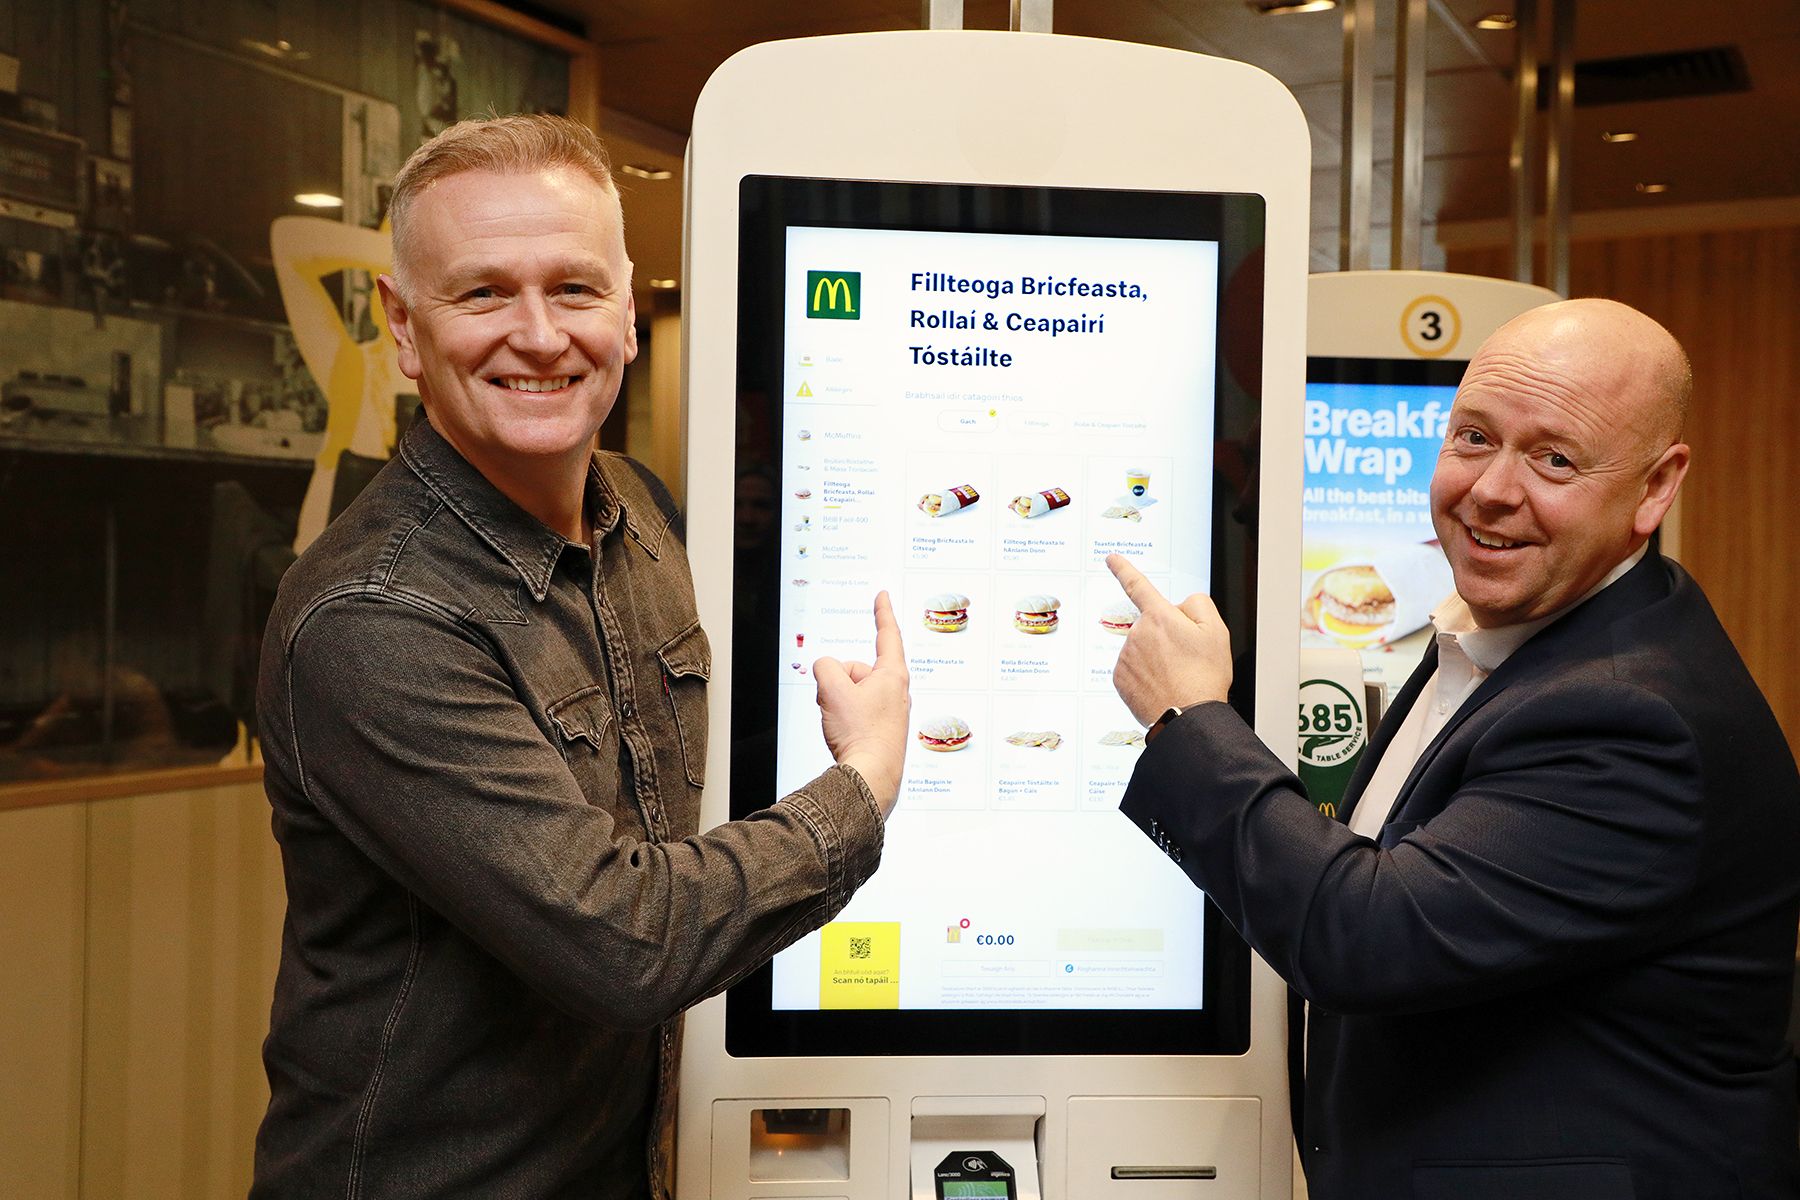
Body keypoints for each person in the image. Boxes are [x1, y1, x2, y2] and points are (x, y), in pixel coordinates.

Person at [250, 114, 910, 1199]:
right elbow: (626, 942)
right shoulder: (371, 620)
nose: (540, 334)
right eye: (482, 293)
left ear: (631, 313)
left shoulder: (641, 514)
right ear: (403, 328)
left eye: (574, 288)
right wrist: (862, 789)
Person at [1108, 298, 1800, 1199]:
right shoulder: (1508, 636)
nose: (1490, 490)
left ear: (1656, 488)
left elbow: (1365, 936)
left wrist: (1188, 721)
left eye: (1554, 458)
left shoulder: (1632, 717)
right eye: (1473, 437)